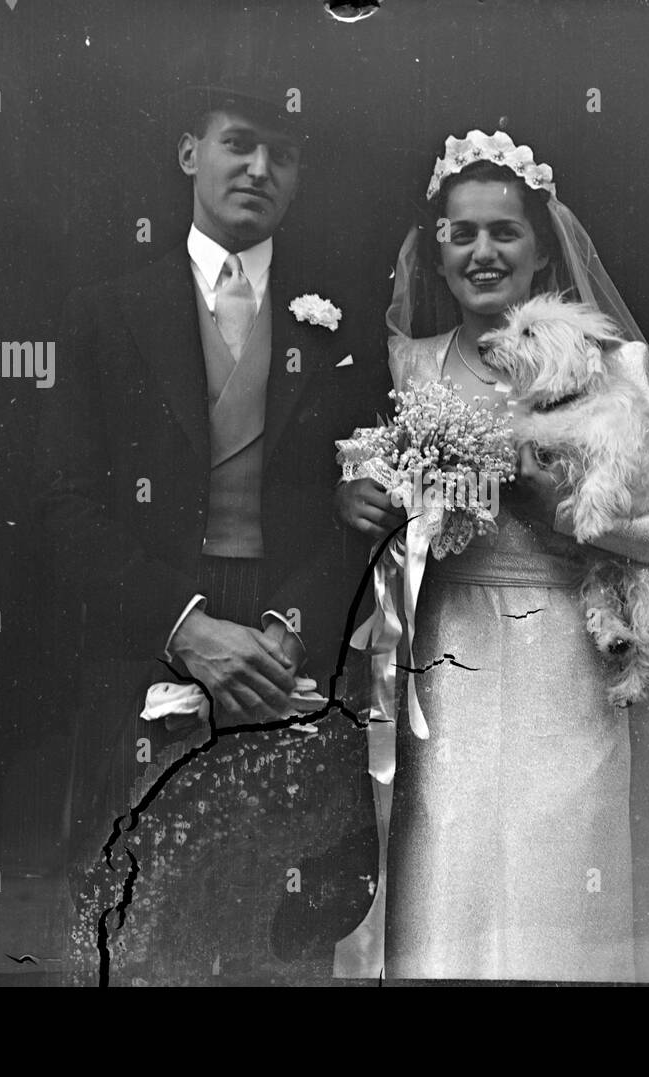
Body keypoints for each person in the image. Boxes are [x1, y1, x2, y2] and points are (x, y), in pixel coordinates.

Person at [334, 129, 649, 982]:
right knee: (446, 867)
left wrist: (575, 519)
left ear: (540, 245)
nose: (483, 252)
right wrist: (363, 501)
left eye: (505, 232)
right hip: (444, 663)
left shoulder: (616, 365)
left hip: (569, 661)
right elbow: (373, 478)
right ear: (436, 248)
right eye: (462, 232)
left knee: (564, 874)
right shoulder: (406, 363)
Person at [34, 83, 388, 982]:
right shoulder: (103, 312)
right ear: (191, 154)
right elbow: (61, 506)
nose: (258, 168)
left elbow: (364, 504)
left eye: (282, 152)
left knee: (283, 933)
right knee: (136, 924)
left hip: (286, 644)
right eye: (238, 143)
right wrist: (186, 628)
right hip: (149, 637)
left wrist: (289, 630)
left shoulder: (343, 323)